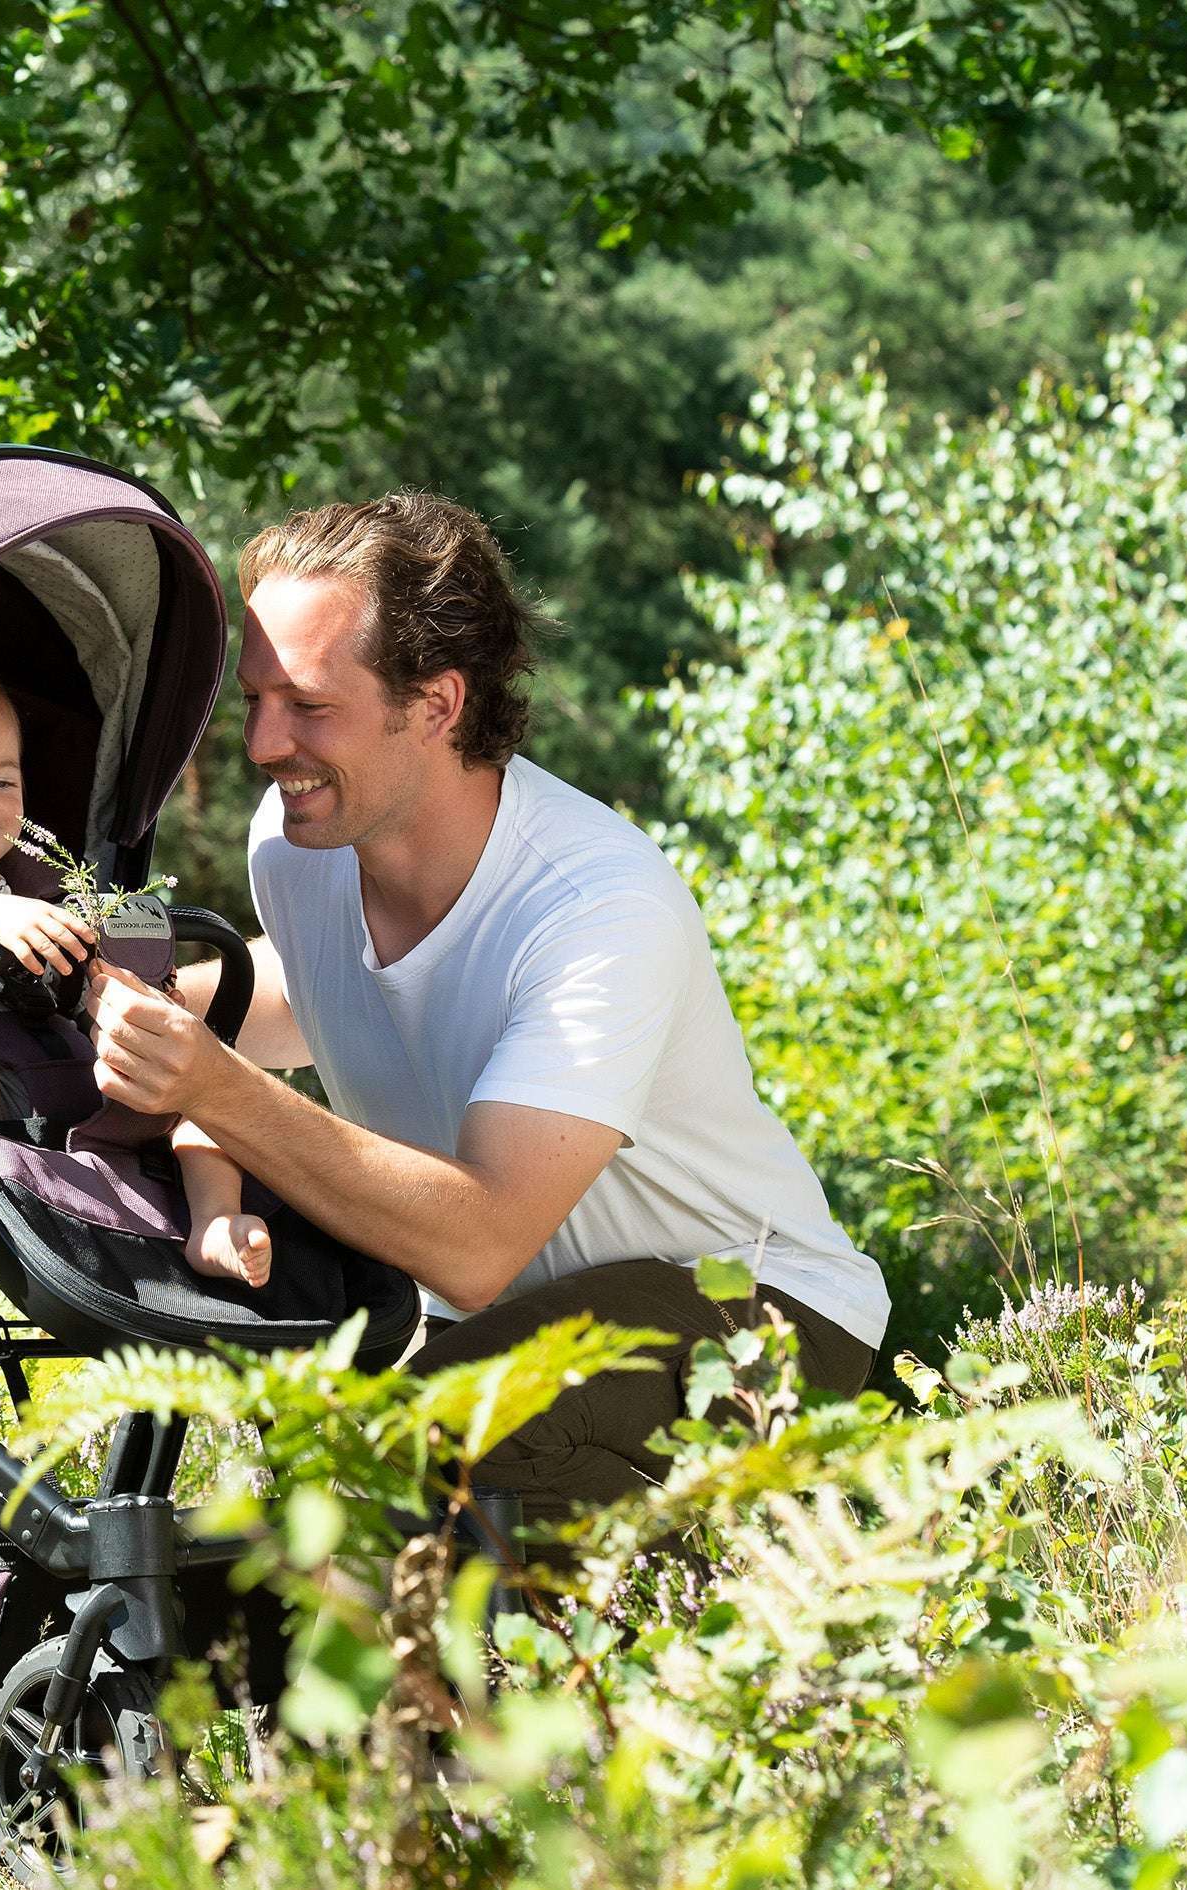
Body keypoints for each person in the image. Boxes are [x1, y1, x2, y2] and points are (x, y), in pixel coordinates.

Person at [83, 493, 889, 1522]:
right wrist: (111, 1005)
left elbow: (481, 1243)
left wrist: (216, 1089)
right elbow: (321, 983)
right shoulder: (298, 845)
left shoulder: (595, 905)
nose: (264, 744)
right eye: (255, 700)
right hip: (509, 1323)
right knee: (313, 1513)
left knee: (419, 1460)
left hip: (756, 1319)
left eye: (309, 705)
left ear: (436, 702)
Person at [0, 653, 277, 1286]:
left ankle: (215, 1218)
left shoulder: (37, 890)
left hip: (49, 1076)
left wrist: (116, 983)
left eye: (3, 783)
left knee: (200, 1075)